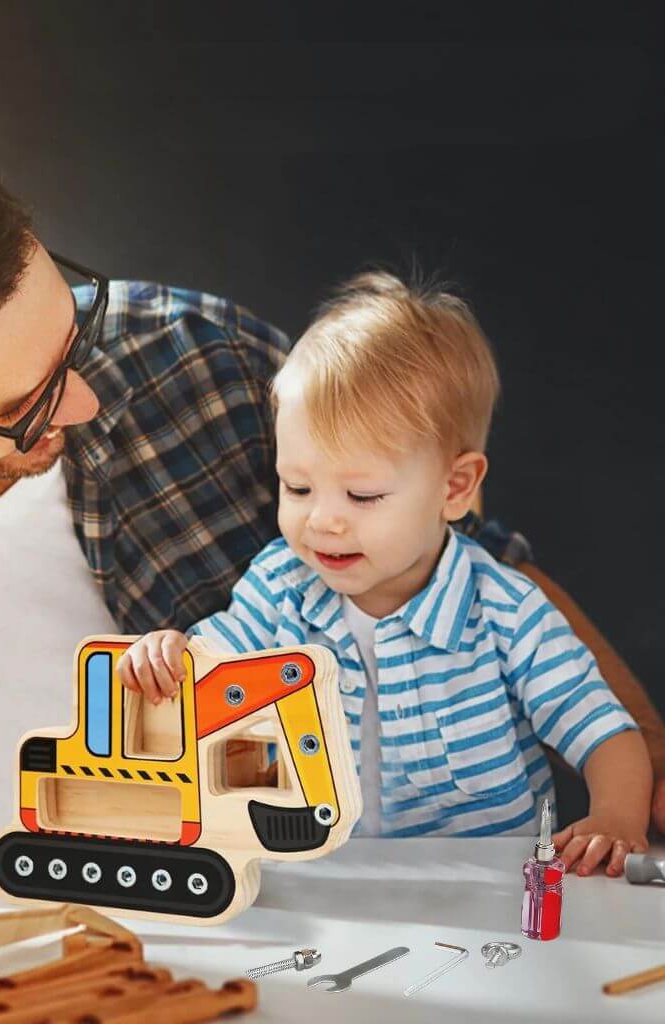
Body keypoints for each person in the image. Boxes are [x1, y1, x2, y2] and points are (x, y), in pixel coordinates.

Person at [0, 132, 662, 899]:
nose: (86, 401)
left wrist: (646, 769)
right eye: (23, 407)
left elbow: (469, 563)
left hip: (278, 914)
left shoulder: (199, 359)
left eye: (72, 327)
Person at [118, 272, 653, 876]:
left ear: (455, 488)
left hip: (491, 887)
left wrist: (615, 816)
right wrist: (170, 656)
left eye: (363, 495)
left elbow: (606, 732)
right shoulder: (279, 585)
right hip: (331, 879)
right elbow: (209, 673)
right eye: (296, 487)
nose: (322, 521)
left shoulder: (506, 609)